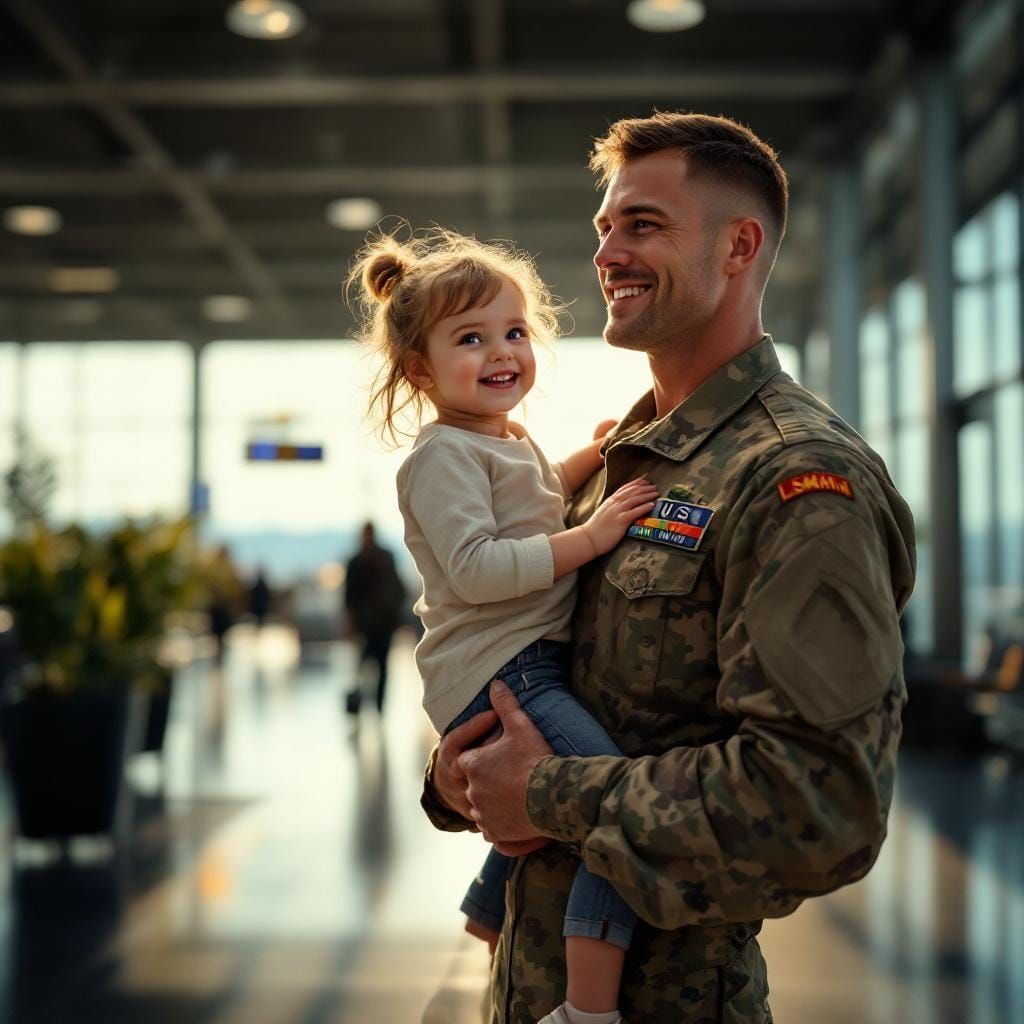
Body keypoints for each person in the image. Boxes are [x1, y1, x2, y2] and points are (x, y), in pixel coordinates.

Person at [422, 112, 917, 1023]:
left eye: (643, 224)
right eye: (606, 226)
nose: (608, 251)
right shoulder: (625, 462)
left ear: (739, 246)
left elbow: (820, 805)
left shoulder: (797, 480)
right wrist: (460, 774)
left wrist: (544, 791)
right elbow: (538, 670)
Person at [347, 228, 662, 1024]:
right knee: (613, 812)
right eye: (471, 338)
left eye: (515, 332)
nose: (502, 352)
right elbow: (480, 567)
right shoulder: (440, 457)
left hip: (516, 663)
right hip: (505, 670)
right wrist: (591, 538)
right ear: (421, 370)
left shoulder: (500, 440)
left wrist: (590, 459)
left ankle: (489, 916)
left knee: (551, 814)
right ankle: (587, 1012)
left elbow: (530, 502)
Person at [342, 521, 406, 714]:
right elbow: (350, 596)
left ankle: (376, 709)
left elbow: (396, 589)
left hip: (379, 624)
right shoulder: (371, 559)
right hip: (370, 625)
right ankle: (369, 708)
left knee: (376, 670)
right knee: (366, 669)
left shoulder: (369, 559)